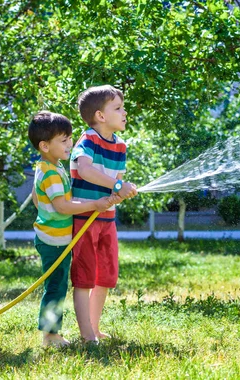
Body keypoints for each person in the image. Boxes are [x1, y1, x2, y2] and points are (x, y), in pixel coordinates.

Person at [28, 111, 119, 347]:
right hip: (52, 241)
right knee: (55, 288)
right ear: (45, 146)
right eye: (64, 140)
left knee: (58, 285)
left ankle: (53, 332)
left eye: (70, 138)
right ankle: (50, 335)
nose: (70, 143)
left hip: (54, 237)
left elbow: (36, 199)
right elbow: (62, 206)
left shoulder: (50, 167)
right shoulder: (50, 173)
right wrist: (94, 205)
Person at [70, 85, 138, 343]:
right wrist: (119, 186)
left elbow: (115, 182)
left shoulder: (120, 146)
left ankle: (95, 329)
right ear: (100, 116)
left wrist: (122, 192)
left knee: (105, 277)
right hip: (85, 218)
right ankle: (87, 335)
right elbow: (85, 171)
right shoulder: (88, 140)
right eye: (118, 108)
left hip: (108, 219)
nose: (124, 112)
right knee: (86, 277)